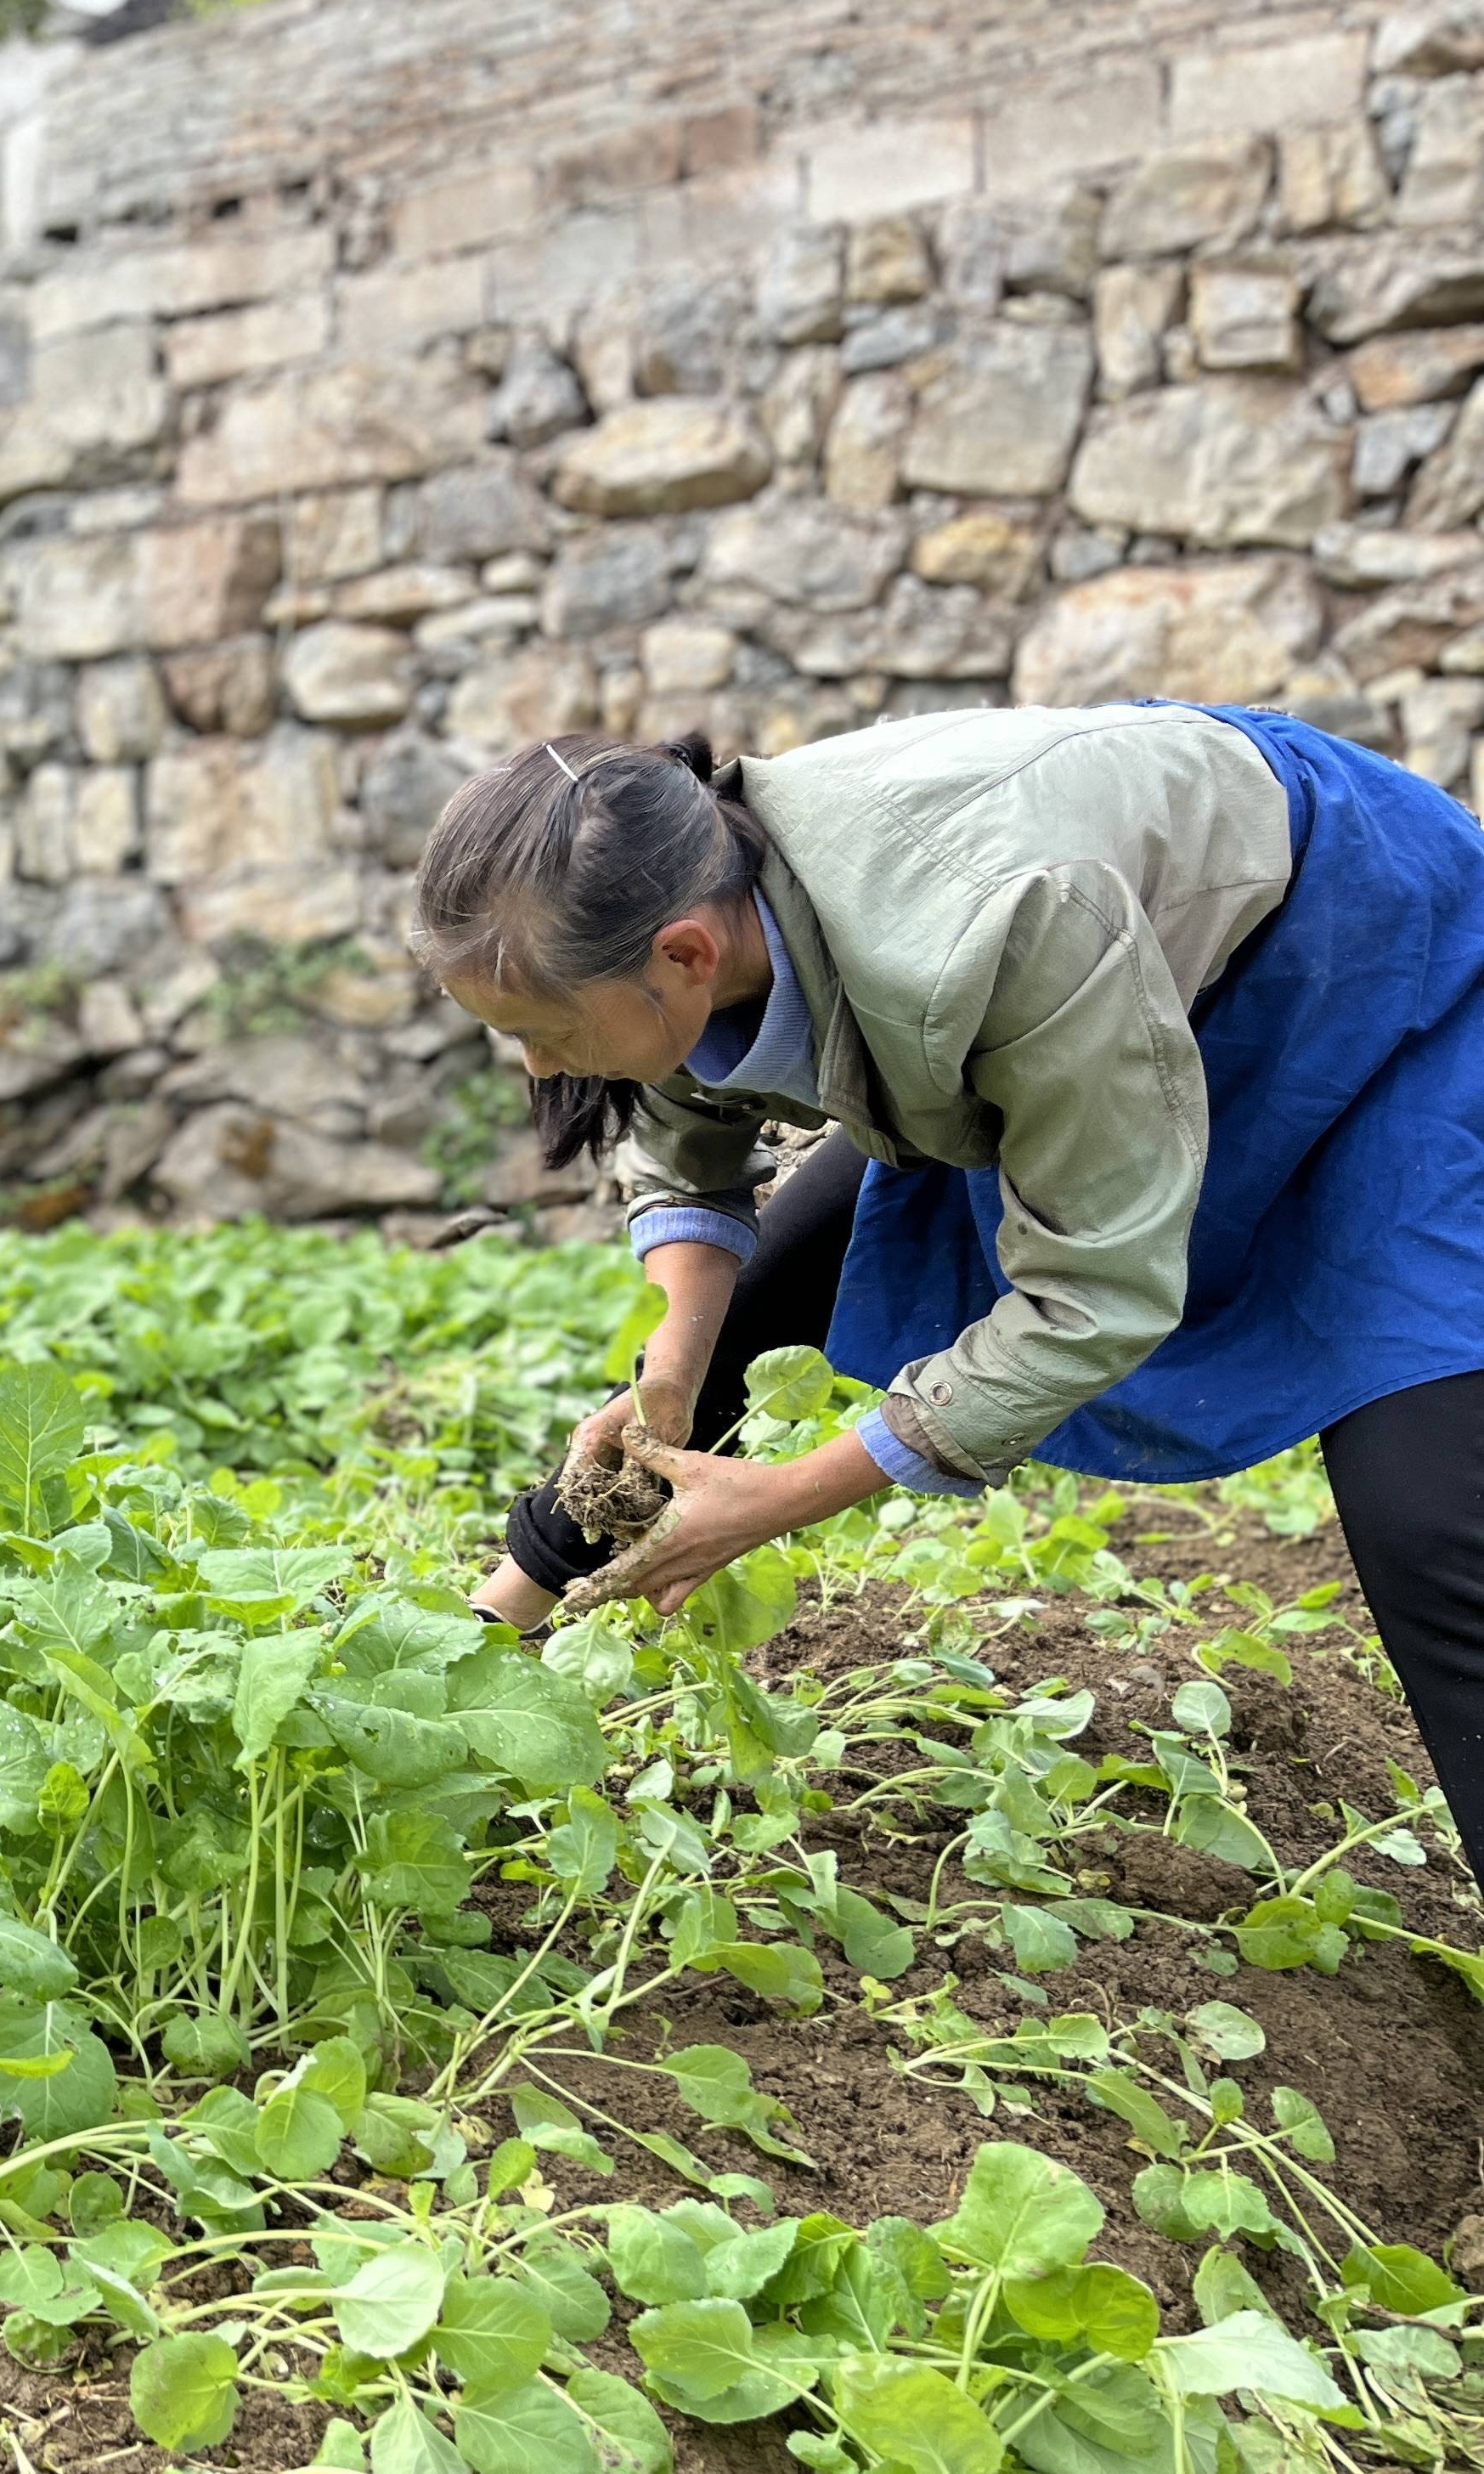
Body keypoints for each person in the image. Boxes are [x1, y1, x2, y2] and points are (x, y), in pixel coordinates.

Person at [413, 704, 1484, 1839]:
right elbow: (685, 1128)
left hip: (1373, 968)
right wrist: (675, 1365)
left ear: (685, 954)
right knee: (748, 1307)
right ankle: (495, 1626)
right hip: (1101, 974)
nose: (533, 1064)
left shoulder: (987, 933)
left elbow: (1094, 1294)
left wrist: (784, 1496)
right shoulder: (687, 893)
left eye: (543, 1031)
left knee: (1430, 1513)